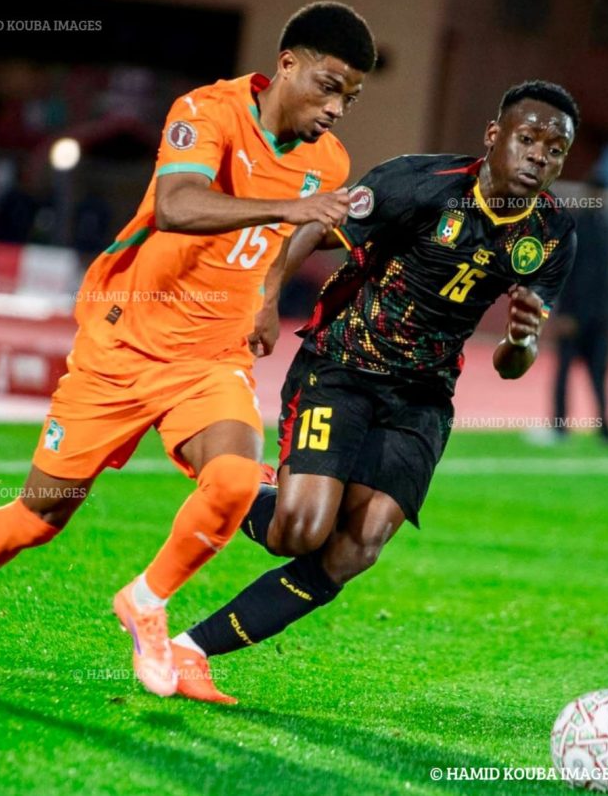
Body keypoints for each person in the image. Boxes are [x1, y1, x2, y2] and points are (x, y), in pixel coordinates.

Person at [0, 2, 377, 698]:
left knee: (236, 482)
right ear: (287, 65)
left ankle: (146, 600)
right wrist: (287, 208)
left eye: (349, 97)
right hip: (124, 346)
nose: (336, 109)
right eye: (328, 87)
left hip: (212, 357)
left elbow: (289, 239)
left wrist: (268, 296)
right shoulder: (205, 112)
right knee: (38, 517)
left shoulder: (329, 160)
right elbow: (178, 205)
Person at [169, 80, 581, 704]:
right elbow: (315, 229)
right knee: (299, 531)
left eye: (554, 151)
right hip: (342, 367)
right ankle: (236, 484)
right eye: (527, 140)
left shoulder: (551, 236)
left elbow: (511, 367)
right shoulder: (417, 183)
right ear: (495, 136)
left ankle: (189, 651)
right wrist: (268, 298)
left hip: (423, 397)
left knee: (357, 546)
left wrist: (522, 340)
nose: (538, 158)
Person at [551, 191, 608, 442]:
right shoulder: (575, 228)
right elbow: (564, 272)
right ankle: (559, 426)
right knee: (564, 373)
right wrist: (564, 313)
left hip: (601, 319)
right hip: (575, 318)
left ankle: (604, 427)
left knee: (600, 374)